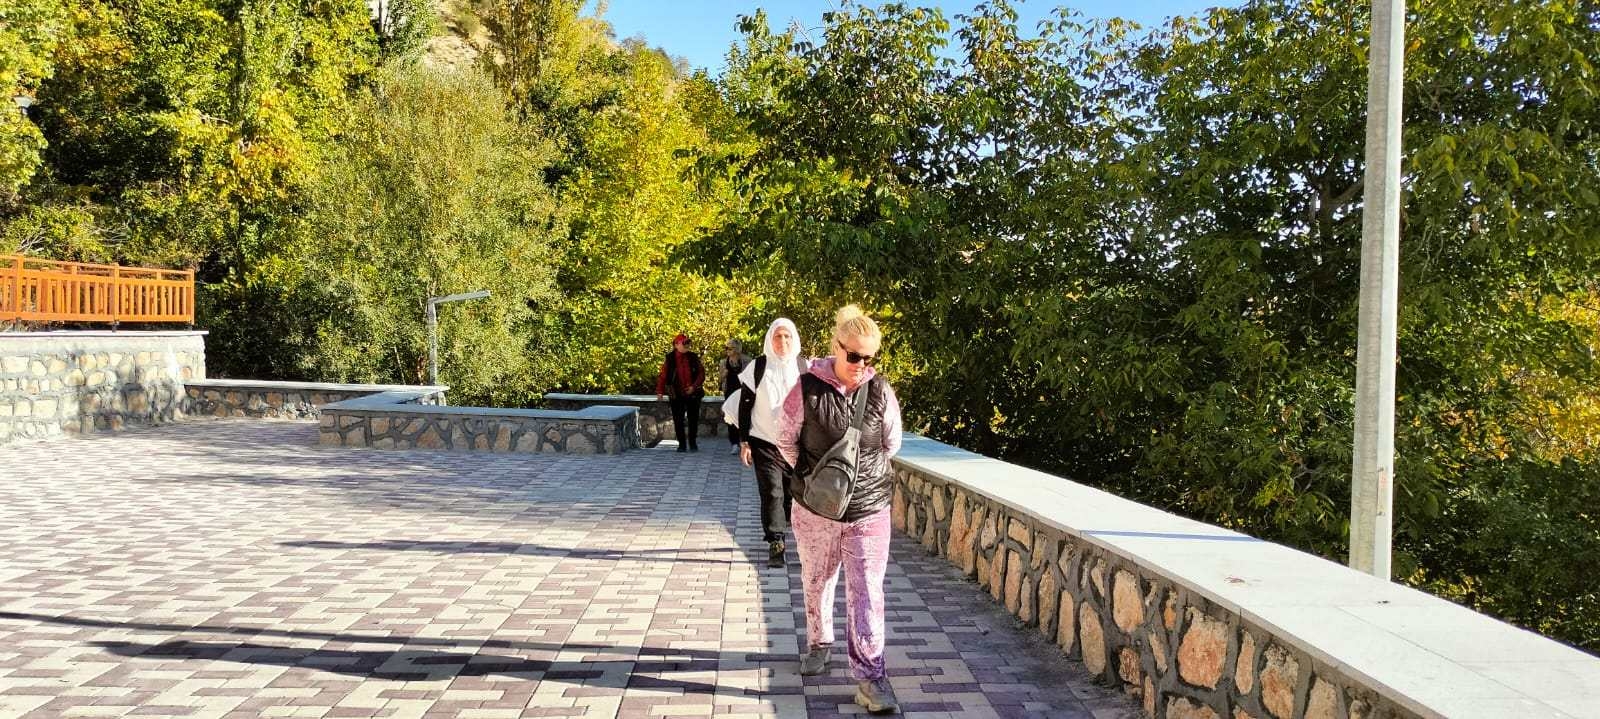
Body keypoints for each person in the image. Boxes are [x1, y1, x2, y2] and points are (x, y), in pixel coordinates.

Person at [775, 305, 903, 714]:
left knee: (867, 592)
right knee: (818, 579)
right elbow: (784, 440)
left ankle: (870, 677)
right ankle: (819, 642)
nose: (861, 364)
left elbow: (891, 444)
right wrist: (817, 479)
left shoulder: (880, 391)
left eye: (869, 357)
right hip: (816, 510)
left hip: (869, 508)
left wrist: (859, 479)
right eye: (854, 355)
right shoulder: (806, 389)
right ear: (837, 347)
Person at [736, 319, 806, 568]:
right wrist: (744, 442)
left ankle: (787, 528)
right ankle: (776, 541)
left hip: (796, 444)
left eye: (787, 336)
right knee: (771, 491)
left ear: (794, 339)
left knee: (792, 494)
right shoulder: (758, 367)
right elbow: (745, 406)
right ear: (770, 339)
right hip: (764, 441)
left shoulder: (804, 368)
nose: (783, 341)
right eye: (778, 336)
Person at [655, 333, 705, 452]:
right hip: (676, 394)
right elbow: (663, 376)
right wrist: (660, 391)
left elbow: (701, 373)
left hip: (693, 394)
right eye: (684, 343)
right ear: (676, 344)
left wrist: (694, 387)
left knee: (693, 419)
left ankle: (692, 443)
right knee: (678, 419)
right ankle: (682, 444)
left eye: (688, 343)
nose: (687, 345)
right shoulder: (670, 358)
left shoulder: (693, 357)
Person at [719, 339, 753, 454]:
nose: (727, 350)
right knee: (730, 417)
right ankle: (734, 443)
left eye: (730, 348)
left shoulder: (747, 361)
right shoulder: (723, 362)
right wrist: (724, 375)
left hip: (743, 392)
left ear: (737, 349)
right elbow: (720, 380)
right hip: (729, 392)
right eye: (726, 348)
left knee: (744, 416)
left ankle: (745, 441)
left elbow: (751, 377)